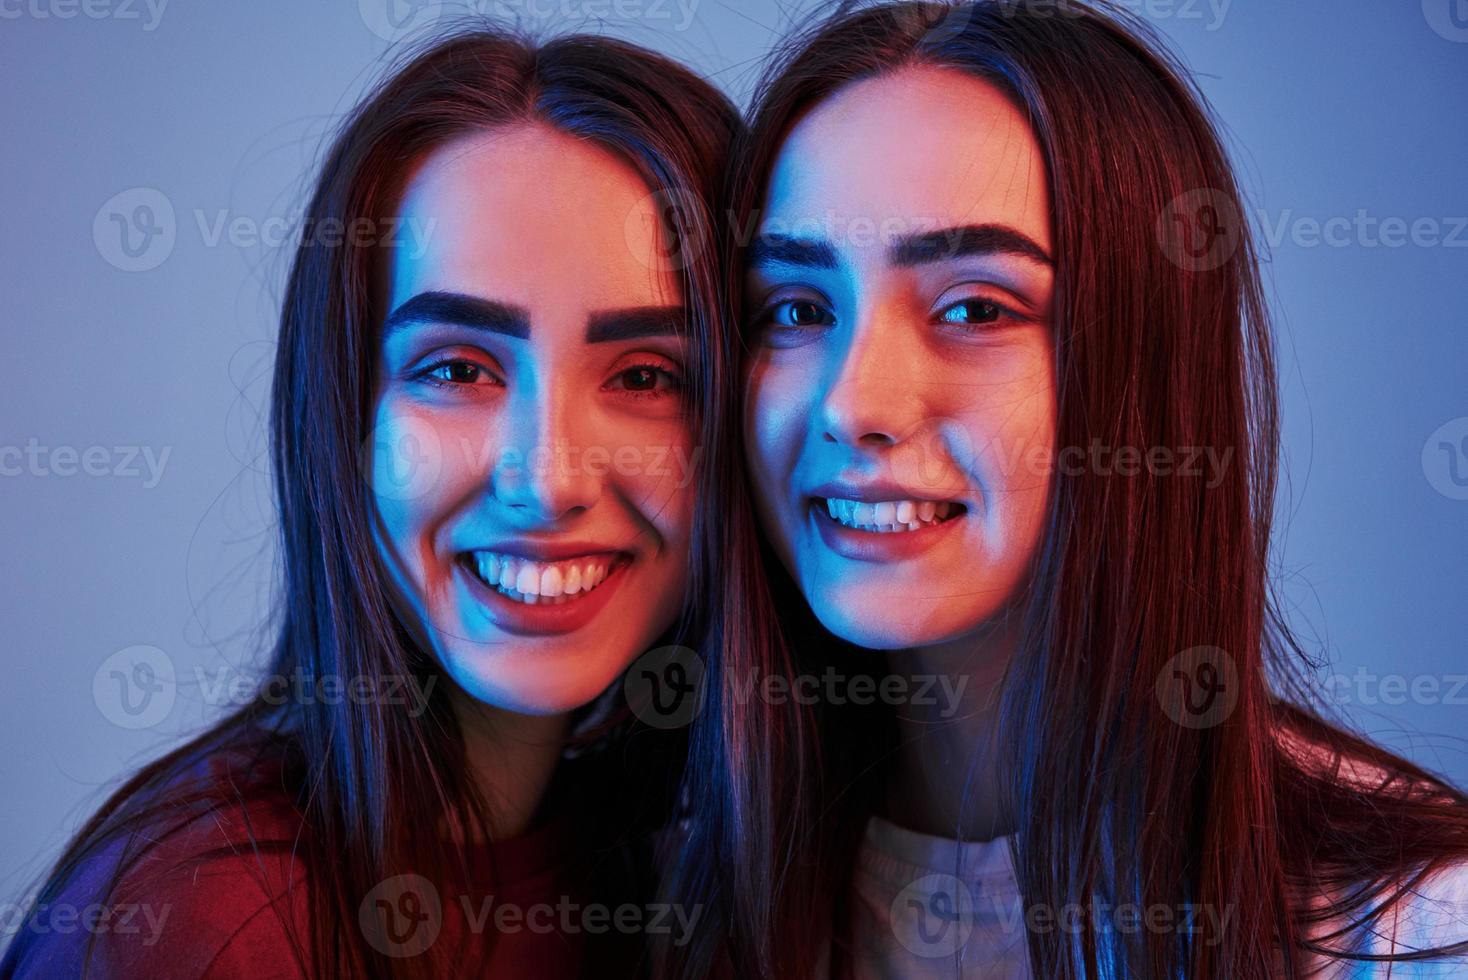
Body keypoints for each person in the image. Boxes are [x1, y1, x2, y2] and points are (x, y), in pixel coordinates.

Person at [659, 2, 1468, 977]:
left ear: (1144, 366)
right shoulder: (669, 891)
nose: (852, 401)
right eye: (795, 308)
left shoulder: (1417, 933)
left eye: (972, 306)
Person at [3, 27, 740, 979]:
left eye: (646, 375)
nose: (548, 478)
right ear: (344, 421)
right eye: (459, 369)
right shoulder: (207, 926)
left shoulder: (669, 859)